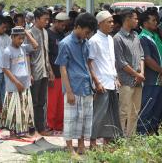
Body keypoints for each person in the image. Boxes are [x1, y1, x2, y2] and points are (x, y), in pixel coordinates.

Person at [55, 13, 98, 155]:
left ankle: (81, 145)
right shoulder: (65, 43)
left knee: (85, 118)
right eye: (86, 32)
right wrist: (69, 91)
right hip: (73, 86)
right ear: (78, 27)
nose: (87, 35)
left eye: (89, 33)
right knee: (71, 119)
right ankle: (69, 148)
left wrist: (93, 82)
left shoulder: (85, 43)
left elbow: (87, 63)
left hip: (86, 85)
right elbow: (62, 68)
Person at [88, 11, 123, 148]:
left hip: (111, 81)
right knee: (98, 113)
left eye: (112, 21)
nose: (112, 24)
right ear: (100, 23)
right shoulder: (94, 40)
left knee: (111, 113)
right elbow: (89, 63)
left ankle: (107, 142)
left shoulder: (110, 39)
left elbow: (111, 61)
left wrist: (116, 77)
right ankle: (92, 142)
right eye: (109, 22)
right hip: (101, 82)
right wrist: (96, 82)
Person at [1, 26, 39, 136]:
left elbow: (36, 45)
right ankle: (14, 130)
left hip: (25, 83)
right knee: (14, 109)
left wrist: (26, 33)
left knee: (25, 108)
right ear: (12, 37)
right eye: (19, 38)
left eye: (22, 38)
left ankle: (23, 129)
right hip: (14, 85)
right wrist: (16, 82)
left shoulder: (23, 47)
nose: (21, 41)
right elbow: (5, 69)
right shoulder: (7, 51)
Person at [114, 8, 144, 137]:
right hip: (126, 80)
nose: (137, 21)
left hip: (138, 80)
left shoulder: (136, 35)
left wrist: (141, 73)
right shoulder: (118, 38)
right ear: (127, 19)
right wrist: (137, 75)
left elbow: (141, 55)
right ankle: (120, 139)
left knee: (135, 111)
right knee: (124, 111)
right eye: (135, 18)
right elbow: (121, 62)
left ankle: (130, 138)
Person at [28, 7, 54, 136]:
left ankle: (41, 127)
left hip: (44, 71)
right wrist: (29, 73)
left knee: (42, 102)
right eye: (45, 19)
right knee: (34, 102)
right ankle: (32, 128)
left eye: (48, 19)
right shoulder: (30, 33)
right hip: (34, 72)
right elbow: (27, 55)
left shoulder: (45, 32)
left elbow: (46, 53)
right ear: (37, 19)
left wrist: (50, 70)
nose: (47, 21)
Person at [137, 11, 162, 135]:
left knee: (157, 107)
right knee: (147, 106)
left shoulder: (155, 36)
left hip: (159, 79)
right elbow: (147, 59)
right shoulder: (143, 38)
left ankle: (152, 131)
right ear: (145, 23)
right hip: (151, 79)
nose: (156, 22)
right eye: (153, 20)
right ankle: (141, 132)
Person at [46, 12, 69, 134]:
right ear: (55, 22)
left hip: (62, 73)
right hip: (53, 72)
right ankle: (50, 125)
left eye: (65, 25)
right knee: (52, 102)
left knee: (61, 102)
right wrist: (50, 71)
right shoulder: (48, 34)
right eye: (62, 25)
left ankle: (59, 126)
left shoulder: (62, 35)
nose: (63, 27)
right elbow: (47, 55)